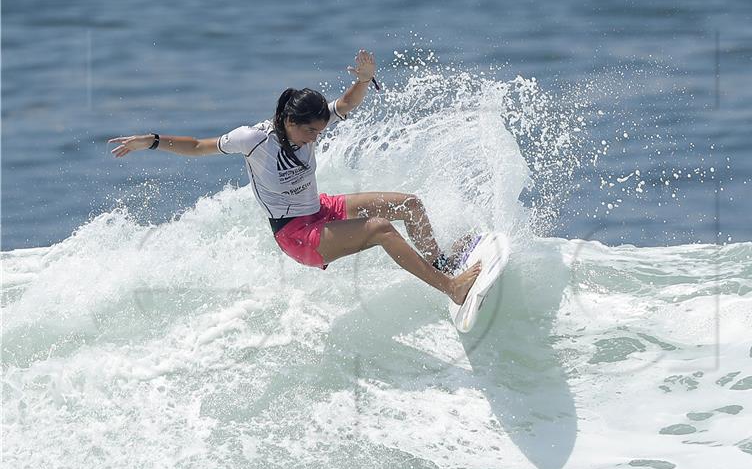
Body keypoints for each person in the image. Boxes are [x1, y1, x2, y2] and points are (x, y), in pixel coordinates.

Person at [108, 49, 481, 305]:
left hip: (319, 209)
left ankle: (440, 264)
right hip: (296, 234)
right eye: (310, 133)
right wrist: (152, 141)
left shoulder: (310, 126)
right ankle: (451, 288)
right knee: (381, 228)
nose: (315, 139)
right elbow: (197, 147)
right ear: (288, 121)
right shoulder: (252, 140)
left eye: (320, 132)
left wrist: (365, 80)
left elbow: (346, 104)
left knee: (409, 203)